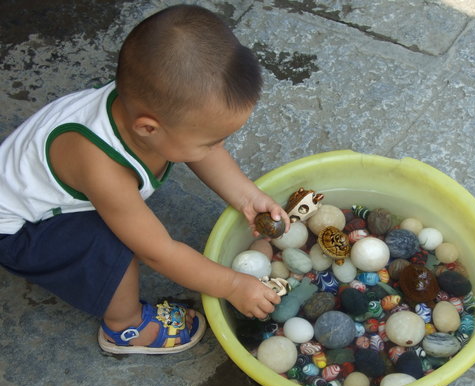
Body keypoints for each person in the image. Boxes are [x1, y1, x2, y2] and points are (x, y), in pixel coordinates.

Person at [0, 5, 289, 354]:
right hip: (18, 230)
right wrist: (230, 285)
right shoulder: (103, 168)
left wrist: (246, 197)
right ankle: (126, 326)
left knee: (141, 204)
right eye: (212, 141)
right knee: (112, 245)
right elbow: (159, 253)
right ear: (148, 128)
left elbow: (204, 154)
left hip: (45, 189)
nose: (220, 147)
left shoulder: (149, 109)